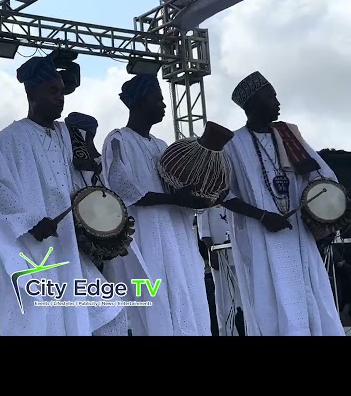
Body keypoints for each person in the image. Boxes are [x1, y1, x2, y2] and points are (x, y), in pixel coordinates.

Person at [0, 56, 127, 336]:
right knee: (42, 322)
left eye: (62, 91)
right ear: (32, 94)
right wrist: (29, 221)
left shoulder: (64, 135)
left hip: (65, 244)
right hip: (31, 249)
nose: (61, 98)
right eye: (53, 91)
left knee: (109, 312)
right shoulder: (11, 137)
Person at [220, 70, 345, 336]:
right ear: (252, 103)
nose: (278, 101)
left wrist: (324, 210)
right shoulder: (232, 144)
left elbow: (324, 178)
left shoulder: (288, 135)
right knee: (271, 303)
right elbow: (223, 194)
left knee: (311, 297)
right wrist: (263, 216)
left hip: (298, 233)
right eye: (271, 95)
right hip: (260, 237)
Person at [100, 71, 214, 336]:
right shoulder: (117, 139)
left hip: (176, 236)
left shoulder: (162, 145)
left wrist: (200, 195)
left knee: (185, 297)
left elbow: (177, 186)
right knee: (155, 303)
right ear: (140, 101)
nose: (163, 106)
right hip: (144, 236)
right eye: (158, 99)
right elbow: (124, 189)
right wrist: (175, 198)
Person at [197, 206, 246, 336]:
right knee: (225, 299)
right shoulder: (207, 200)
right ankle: (227, 333)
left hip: (239, 253)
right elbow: (204, 233)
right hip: (220, 254)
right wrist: (211, 252)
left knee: (244, 298)